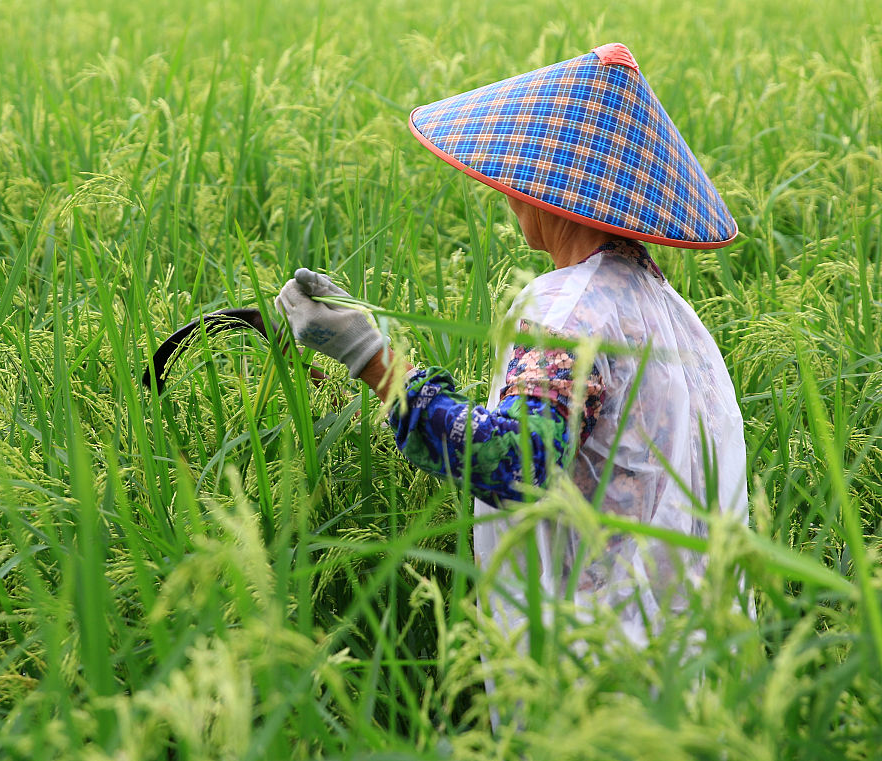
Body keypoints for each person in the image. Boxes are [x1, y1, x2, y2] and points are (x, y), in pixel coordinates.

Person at [274, 43, 748, 645]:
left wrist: (370, 357)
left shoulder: (567, 311)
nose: (508, 190)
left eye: (523, 174)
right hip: (692, 650)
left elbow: (515, 460)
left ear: (558, 192)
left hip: (596, 664)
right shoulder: (659, 303)